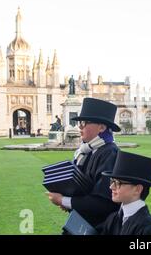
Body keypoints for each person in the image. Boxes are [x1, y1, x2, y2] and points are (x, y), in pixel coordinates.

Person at [46, 97, 121, 228]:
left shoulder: (109, 153)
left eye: (85, 122)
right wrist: (69, 201)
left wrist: (64, 200)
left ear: (101, 127)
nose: (79, 126)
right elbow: (83, 188)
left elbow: (104, 201)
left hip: (99, 227)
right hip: (82, 220)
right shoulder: (86, 151)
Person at [97, 151, 151, 235]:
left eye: (118, 183)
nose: (111, 187)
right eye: (112, 181)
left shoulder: (146, 228)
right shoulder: (114, 218)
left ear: (137, 189)